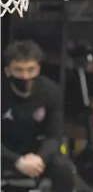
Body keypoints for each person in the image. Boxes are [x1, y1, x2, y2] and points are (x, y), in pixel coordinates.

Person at [1, 40, 73, 192]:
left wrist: (40, 158)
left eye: (30, 69)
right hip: (4, 151)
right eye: (19, 70)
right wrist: (16, 161)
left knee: (64, 168)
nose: (25, 76)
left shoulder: (51, 92)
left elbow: (54, 135)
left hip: (35, 151)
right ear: (7, 71)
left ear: (38, 69)